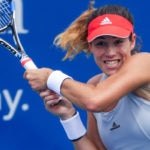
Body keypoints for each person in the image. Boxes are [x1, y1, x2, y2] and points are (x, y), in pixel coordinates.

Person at [24, 1, 150, 150]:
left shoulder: (144, 62)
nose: (110, 52)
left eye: (118, 42)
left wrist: (50, 77)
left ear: (132, 41)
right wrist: (69, 116)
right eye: (100, 43)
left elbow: (94, 100)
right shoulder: (94, 86)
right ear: (90, 47)